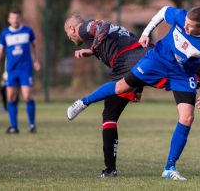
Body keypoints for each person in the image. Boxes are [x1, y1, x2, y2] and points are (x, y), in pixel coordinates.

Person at [67, 6, 200, 180]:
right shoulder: (182, 17)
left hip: (181, 73)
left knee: (187, 117)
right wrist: (146, 32)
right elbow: (163, 11)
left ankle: (169, 168)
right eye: (185, 24)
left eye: (190, 26)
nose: (185, 27)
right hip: (157, 59)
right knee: (121, 87)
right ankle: (84, 102)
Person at [65, 14, 159, 177]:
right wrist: (137, 87)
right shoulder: (117, 32)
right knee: (184, 81)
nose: (70, 38)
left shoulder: (83, 28)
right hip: (148, 56)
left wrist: (91, 50)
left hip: (125, 62)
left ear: (72, 28)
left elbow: (103, 26)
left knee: (109, 116)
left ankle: (110, 169)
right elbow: (135, 44)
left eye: (68, 34)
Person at [0, 9, 40, 134]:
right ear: (8, 19)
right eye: (12, 18)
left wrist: (36, 60)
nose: (15, 20)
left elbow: (35, 46)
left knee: (27, 96)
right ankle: (14, 126)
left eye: (17, 18)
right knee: (11, 97)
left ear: (20, 18)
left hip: (25, 69)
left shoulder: (28, 31)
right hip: (11, 70)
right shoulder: (5, 33)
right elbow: (0, 51)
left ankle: (32, 125)